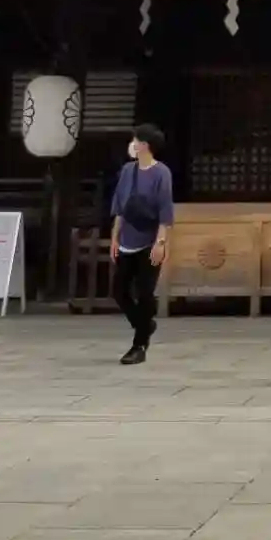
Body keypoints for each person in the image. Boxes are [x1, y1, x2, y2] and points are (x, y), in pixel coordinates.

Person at [109, 122, 174, 365]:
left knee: (145, 293)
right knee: (119, 291)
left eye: (136, 140)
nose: (132, 144)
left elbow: (165, 211)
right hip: (127, 239)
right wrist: (114, 238)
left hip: (150, 241)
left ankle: (139, 346)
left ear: (145, 145)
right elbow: (120, 207)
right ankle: (144, 324)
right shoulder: (127, 170)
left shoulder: (161, 173)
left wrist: (161, 243)